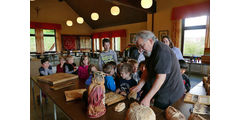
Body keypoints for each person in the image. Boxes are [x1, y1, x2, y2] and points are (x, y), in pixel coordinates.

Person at [131, 30, 185, 109]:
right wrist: (139, 85)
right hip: (162, 87)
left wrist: (148, 98)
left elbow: (160, 78)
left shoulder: (162, 51)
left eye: (142, 46)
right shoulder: (148, 51)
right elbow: (147, 70)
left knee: (162, 111)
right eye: (138, 47)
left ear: (150, 41)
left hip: (171, 90)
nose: (140, 50)